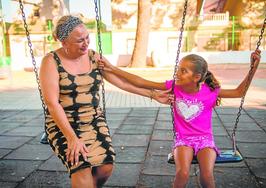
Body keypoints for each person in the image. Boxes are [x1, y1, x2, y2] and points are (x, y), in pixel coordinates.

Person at [39, 15, 172, 188]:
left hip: (93, 120)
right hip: (63, 124)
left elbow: (121, 82)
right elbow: (52, 104)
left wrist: (153, 94)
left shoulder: (94, 57)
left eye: (87, 37)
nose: (86, 43)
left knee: (105, 167)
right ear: (64, 42)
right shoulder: (50, 62)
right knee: (82, 168)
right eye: (80, 40)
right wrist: (72, 138)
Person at [98, 50, 261, 188]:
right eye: (178, 69)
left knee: (207, 175)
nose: (178, 73)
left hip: (205, 140)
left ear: (196, 77)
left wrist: (253, 68)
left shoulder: (210, 91)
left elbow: (239, 92)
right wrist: (112, 68)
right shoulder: (174, 87)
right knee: (182, 173)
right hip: (183, 140)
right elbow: (141, 82)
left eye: (183, 71)